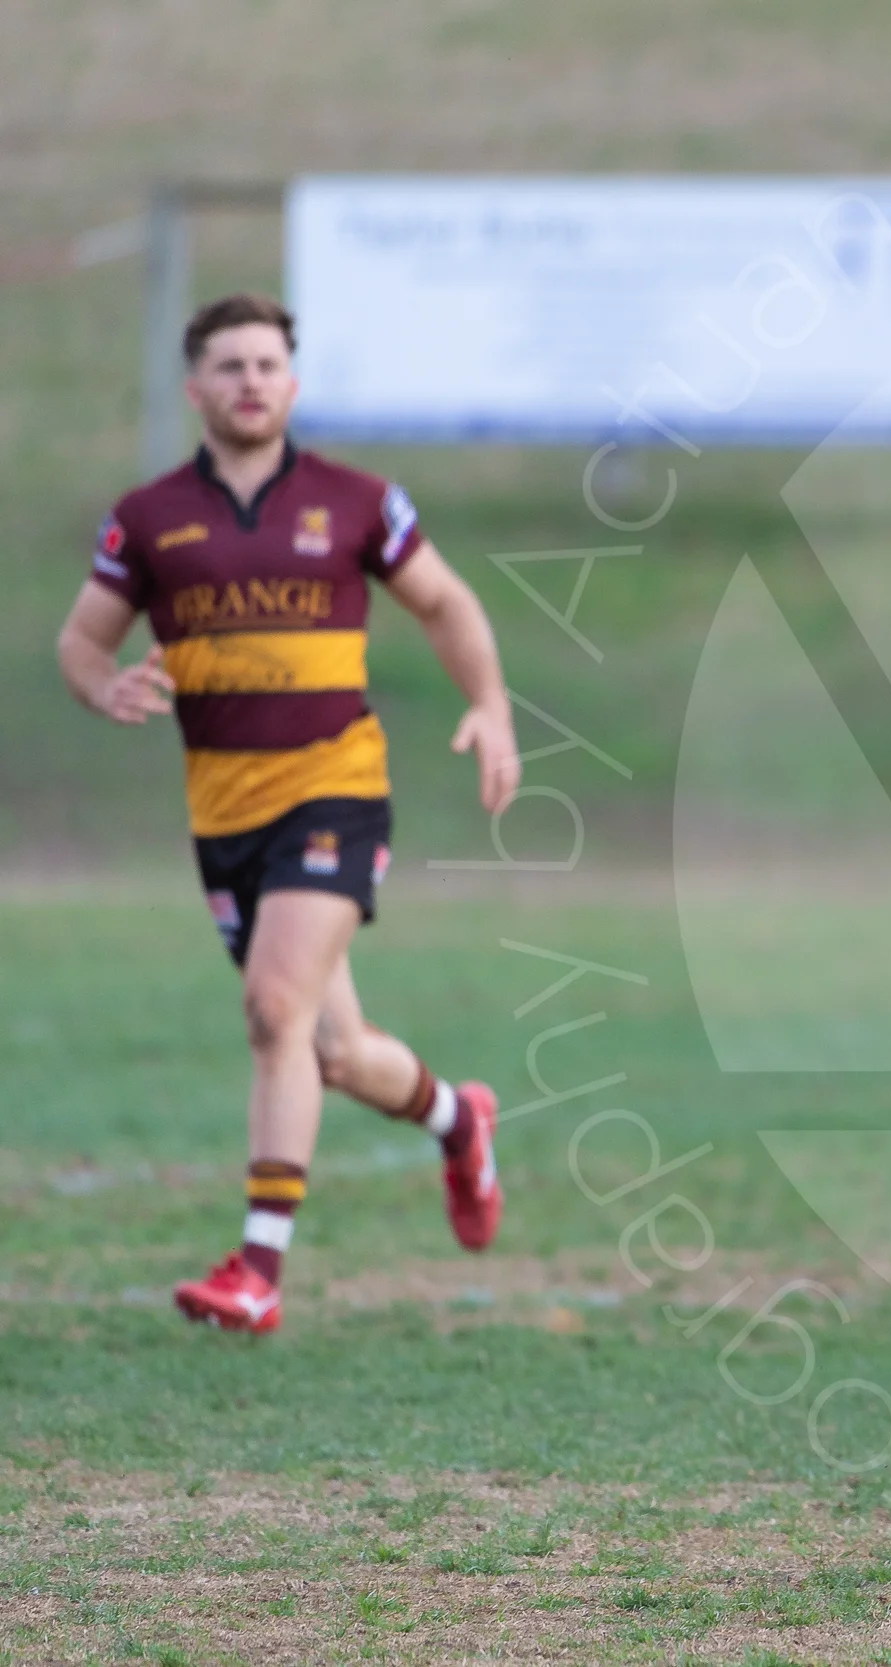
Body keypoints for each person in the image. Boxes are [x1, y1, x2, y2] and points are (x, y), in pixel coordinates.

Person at [54, 294, 521, 1336]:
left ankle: (258, 1270)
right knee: (335, 1052)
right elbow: (81, 641)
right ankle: (460, 1117)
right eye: (229, 366)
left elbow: (445, 603)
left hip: (335, 788)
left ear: (294, 383)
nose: (250, 380)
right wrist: (104, 686)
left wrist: (490, 707)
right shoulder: (147, 516)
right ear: (196, 388)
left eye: (268, 363)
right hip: (224, 811)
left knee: (273, 1008)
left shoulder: (359, 501)